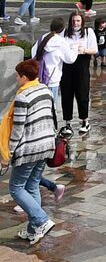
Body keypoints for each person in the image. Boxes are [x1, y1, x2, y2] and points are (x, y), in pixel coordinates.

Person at [6, 58, 58, 245]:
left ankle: (42, 220)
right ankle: (33, 229)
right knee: (32, 185)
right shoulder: (44, 89)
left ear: (25, 77)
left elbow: (18, 129)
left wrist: (9, 152)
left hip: (30, 148)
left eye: (18, 76)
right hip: (47, 145)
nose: (16, 79)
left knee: (16, 188)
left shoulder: (22, 97)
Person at [58, 10, 97, 138]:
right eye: (74, 20)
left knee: (82, 94)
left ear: (82, 21)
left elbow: (94, 50)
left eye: (78, 20)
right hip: (67, 66)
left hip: (82, 64)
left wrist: (84, 49)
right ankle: (67, 122)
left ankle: (84, 121)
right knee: (66, 94)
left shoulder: (88, 32)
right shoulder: (64, 33)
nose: (76, 23)